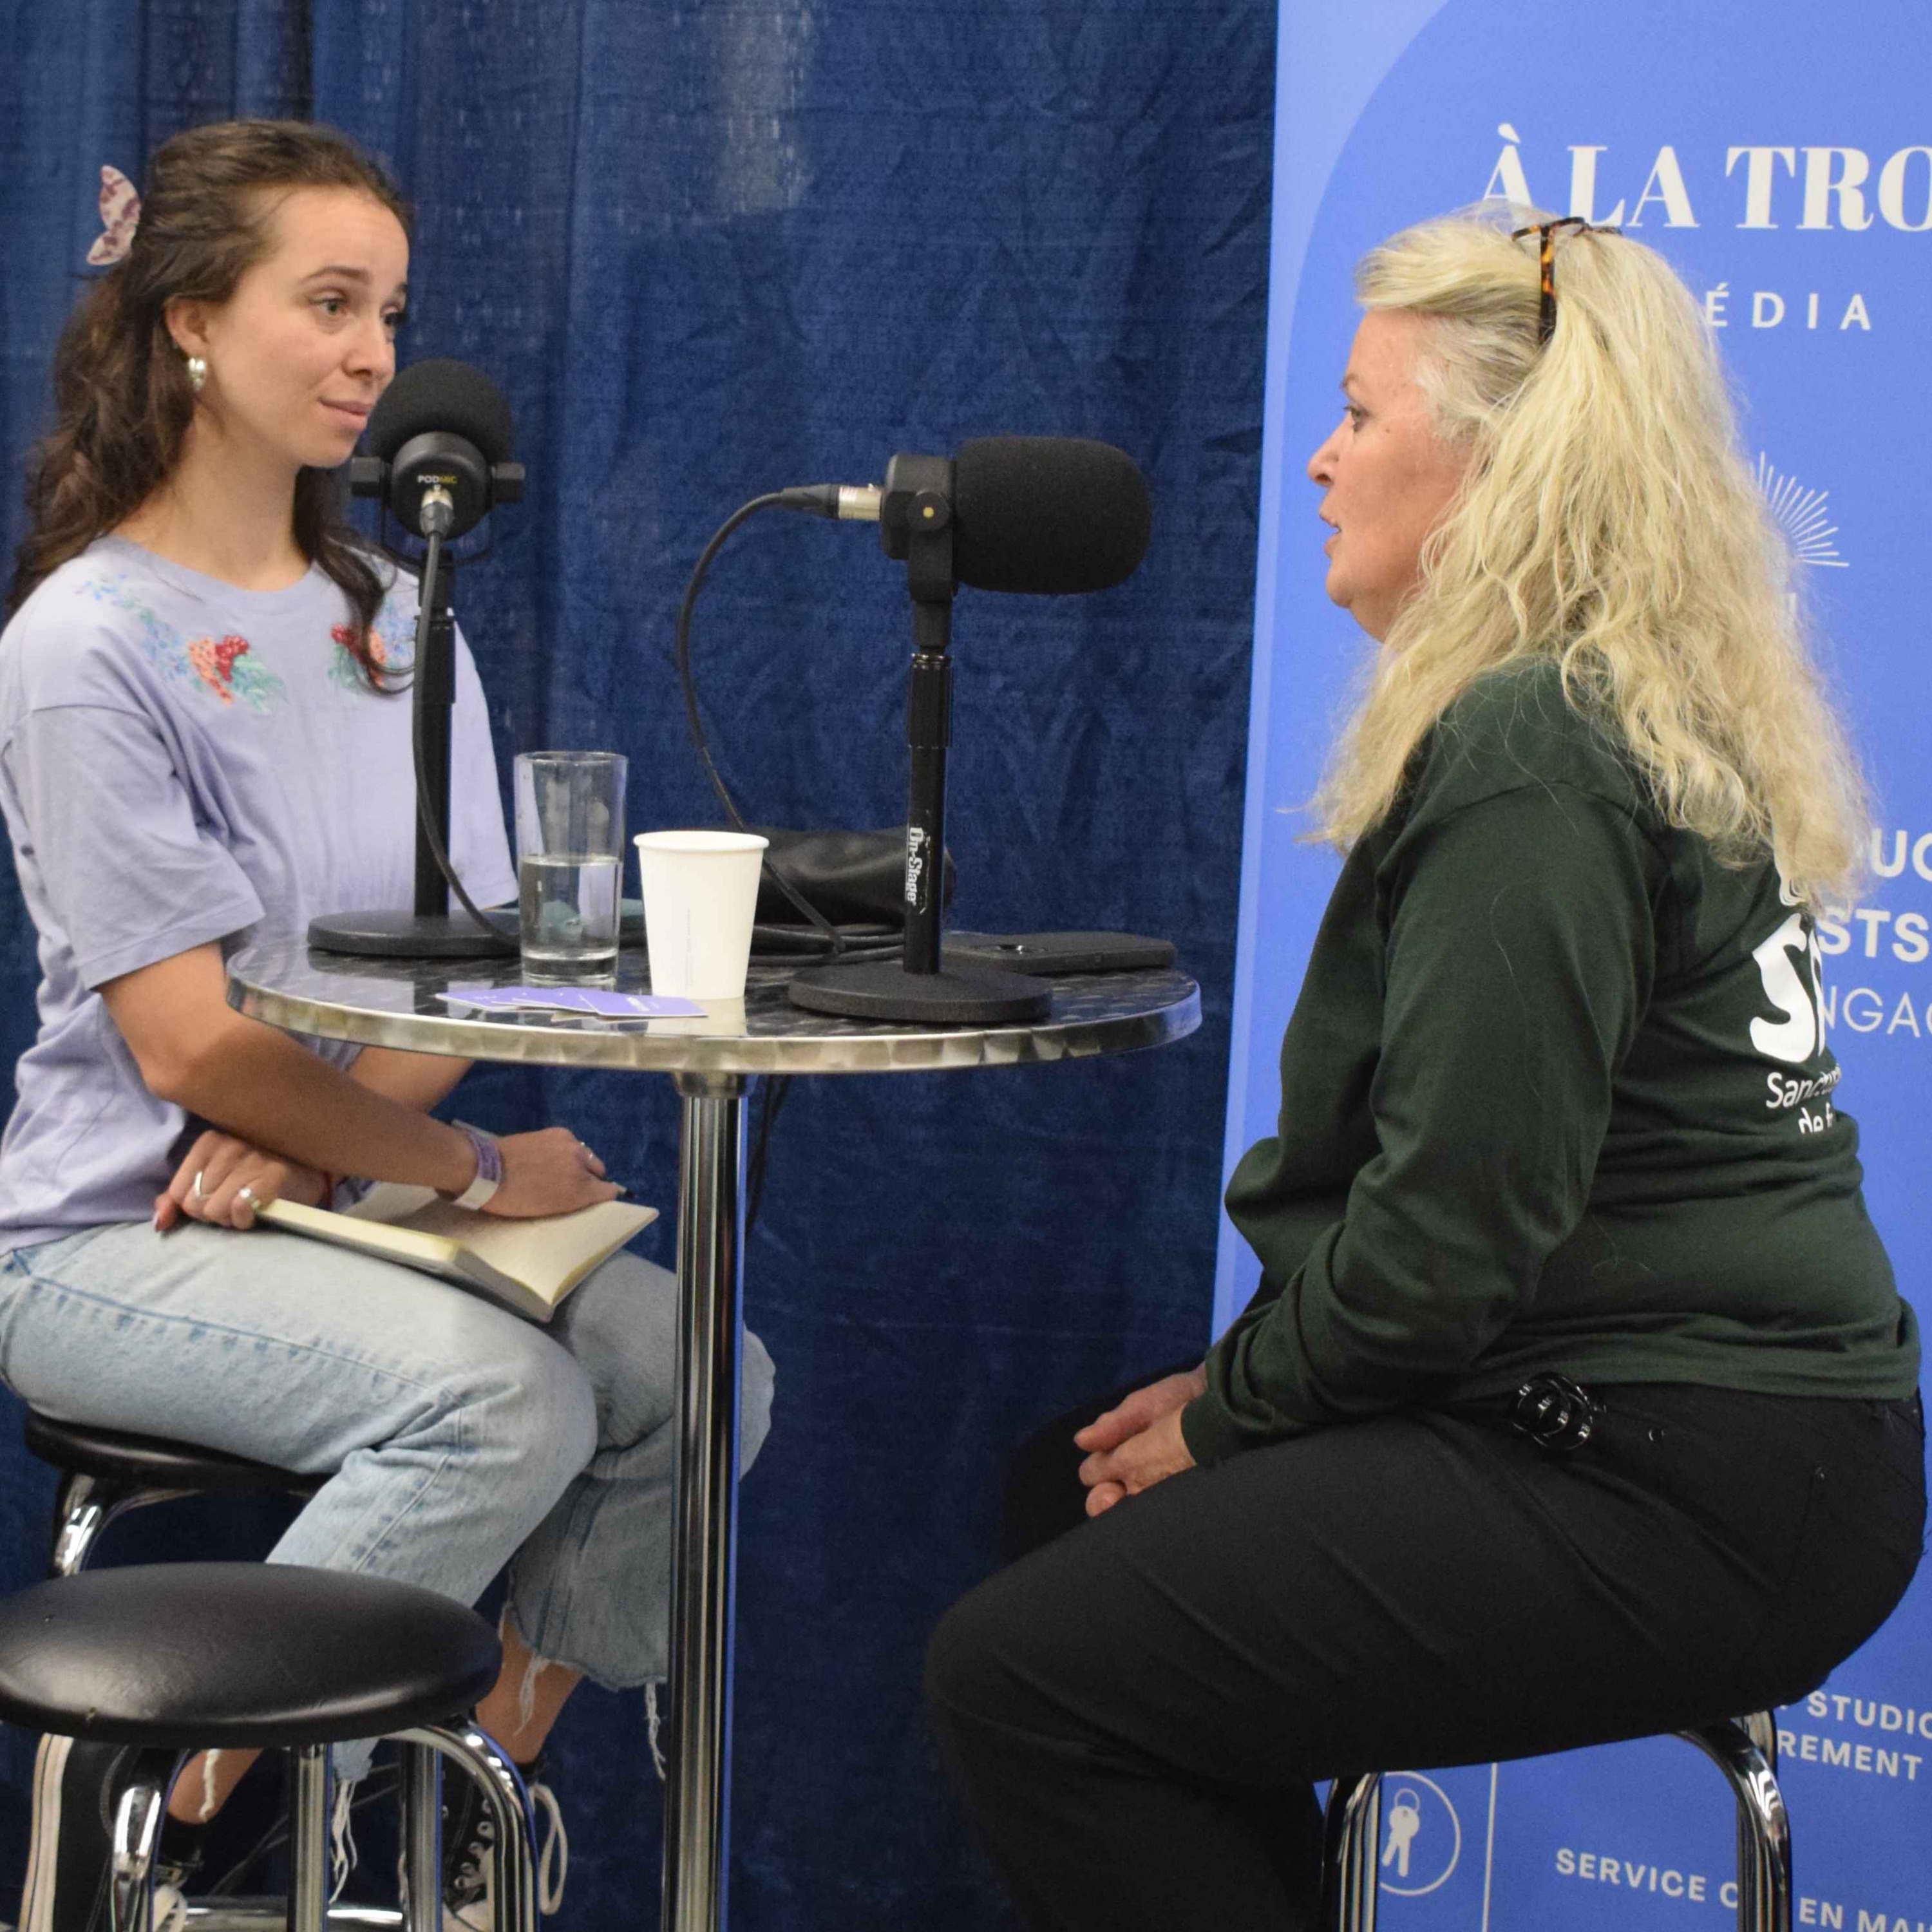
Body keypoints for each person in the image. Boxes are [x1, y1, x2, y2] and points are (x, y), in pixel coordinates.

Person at [925, 207, 1925, 1931]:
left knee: (1022, 1679)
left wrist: (1237, 1415)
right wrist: (1240, 1406)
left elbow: (1457, 1234)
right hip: (1755, 1445)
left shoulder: (1533, 739)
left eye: (1361, 416)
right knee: (1068, 1490)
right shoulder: (1625, 700)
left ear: (1497, 469)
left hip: (1683, 1468)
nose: (1318, 460)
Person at [0, 120, 774, 1931]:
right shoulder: (84, 643)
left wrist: (326, 1140)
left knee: (701, 1373)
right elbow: (188, 1051)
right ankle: (209, 1837)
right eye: (328, 304)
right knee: (500, 1404)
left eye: (391, 311)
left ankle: (468, 1797)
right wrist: (467, 1163)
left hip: (316, 1194)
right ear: (192, 320)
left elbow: (474, 967)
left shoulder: (392, 618)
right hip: (118, 1235)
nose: (374, 356)